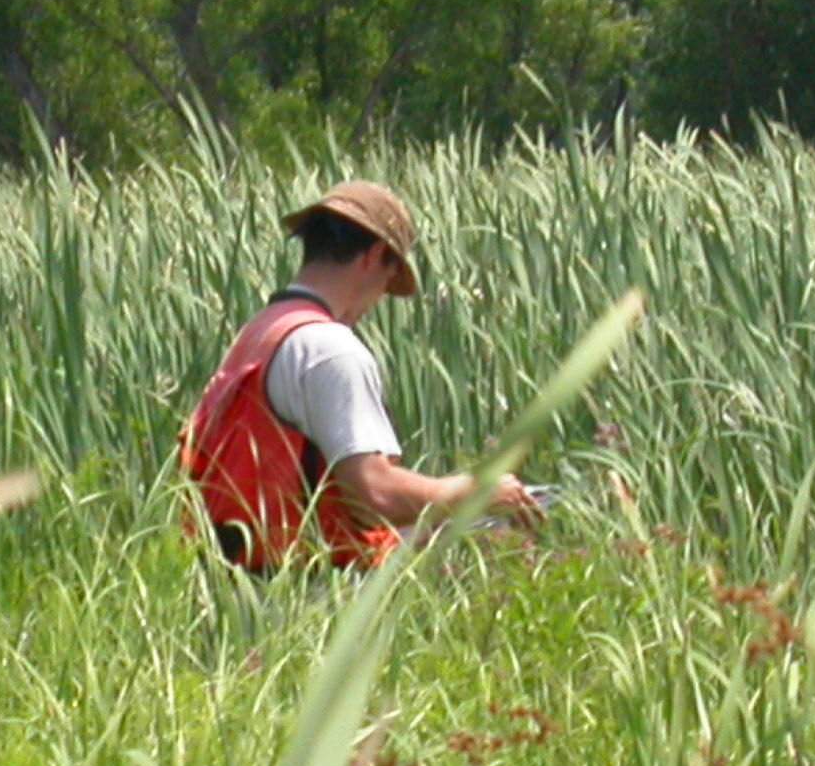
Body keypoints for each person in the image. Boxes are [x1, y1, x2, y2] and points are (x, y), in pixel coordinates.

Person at [180, 180, 545, 572]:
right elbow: (373, 496)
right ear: (373, 256)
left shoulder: (258, 335)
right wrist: (477, 492)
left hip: (235, 585)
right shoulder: (330, 349)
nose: (378, 302)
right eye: (389, 281)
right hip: (312, 597)